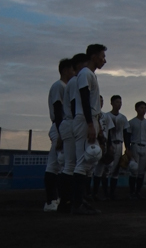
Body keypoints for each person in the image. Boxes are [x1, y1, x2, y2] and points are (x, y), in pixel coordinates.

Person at [71, 44, 106, 215]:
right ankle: (77, 204)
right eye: (102, 56)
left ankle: (81, 201)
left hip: (90, 119)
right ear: (93, 57)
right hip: (85, 120)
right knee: (83, 162)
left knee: (89, 162)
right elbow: (84, 99)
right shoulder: (85, 73)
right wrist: (90, 124)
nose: (104, 60)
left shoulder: (90, 74)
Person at [56, 53, 88, 213]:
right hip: (72, 122)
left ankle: (67, 202)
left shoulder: (71, 82)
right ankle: (74, 202)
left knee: (70, 165)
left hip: (67, 123)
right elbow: (77, 103)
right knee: (76, 164)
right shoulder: (76, 81)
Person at [44, 57, 74, 212]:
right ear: (64, 70)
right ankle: (51, 201)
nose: (74, 72)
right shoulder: (59, 86)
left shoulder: (65, 87)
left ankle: (55, 199)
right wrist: (61, 132)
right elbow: (57, 110)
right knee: (55, 165)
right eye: (72, 69)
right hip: (59, 126)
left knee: (58, 165)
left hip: (62, 127)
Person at [125, 101, 146, 200]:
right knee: (133, 170)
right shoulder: (131, 122)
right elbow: (127, 136)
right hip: (135, 146)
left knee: (141, 172)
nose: (143, 110)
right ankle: (131, 192)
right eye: (141, 108)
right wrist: (127, 148)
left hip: (145, 147)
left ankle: (138, 192)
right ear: (136, 109)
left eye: (145, 108)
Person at [91, 95, 115, 201]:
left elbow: (109, 132)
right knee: (89, 169)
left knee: (100, 170)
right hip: (93, 143)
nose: (100, 103)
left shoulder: (106, 116)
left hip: (103, 144)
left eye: (102, 101)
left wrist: (109, 145)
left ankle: (95, 193)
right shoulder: (90, 115)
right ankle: (86, 193)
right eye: (98, 101)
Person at [106, 95, 129, 200]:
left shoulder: (123, 118)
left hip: (119, 143)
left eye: (120, 102)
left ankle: (112, 193)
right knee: (107, 168)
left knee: (116, 169)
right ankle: (105, 192)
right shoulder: (107, 116)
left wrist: (127, 148)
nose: (119, 104)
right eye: (117, 102)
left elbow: (126, 134)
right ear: (111, 103)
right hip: (108, 144)